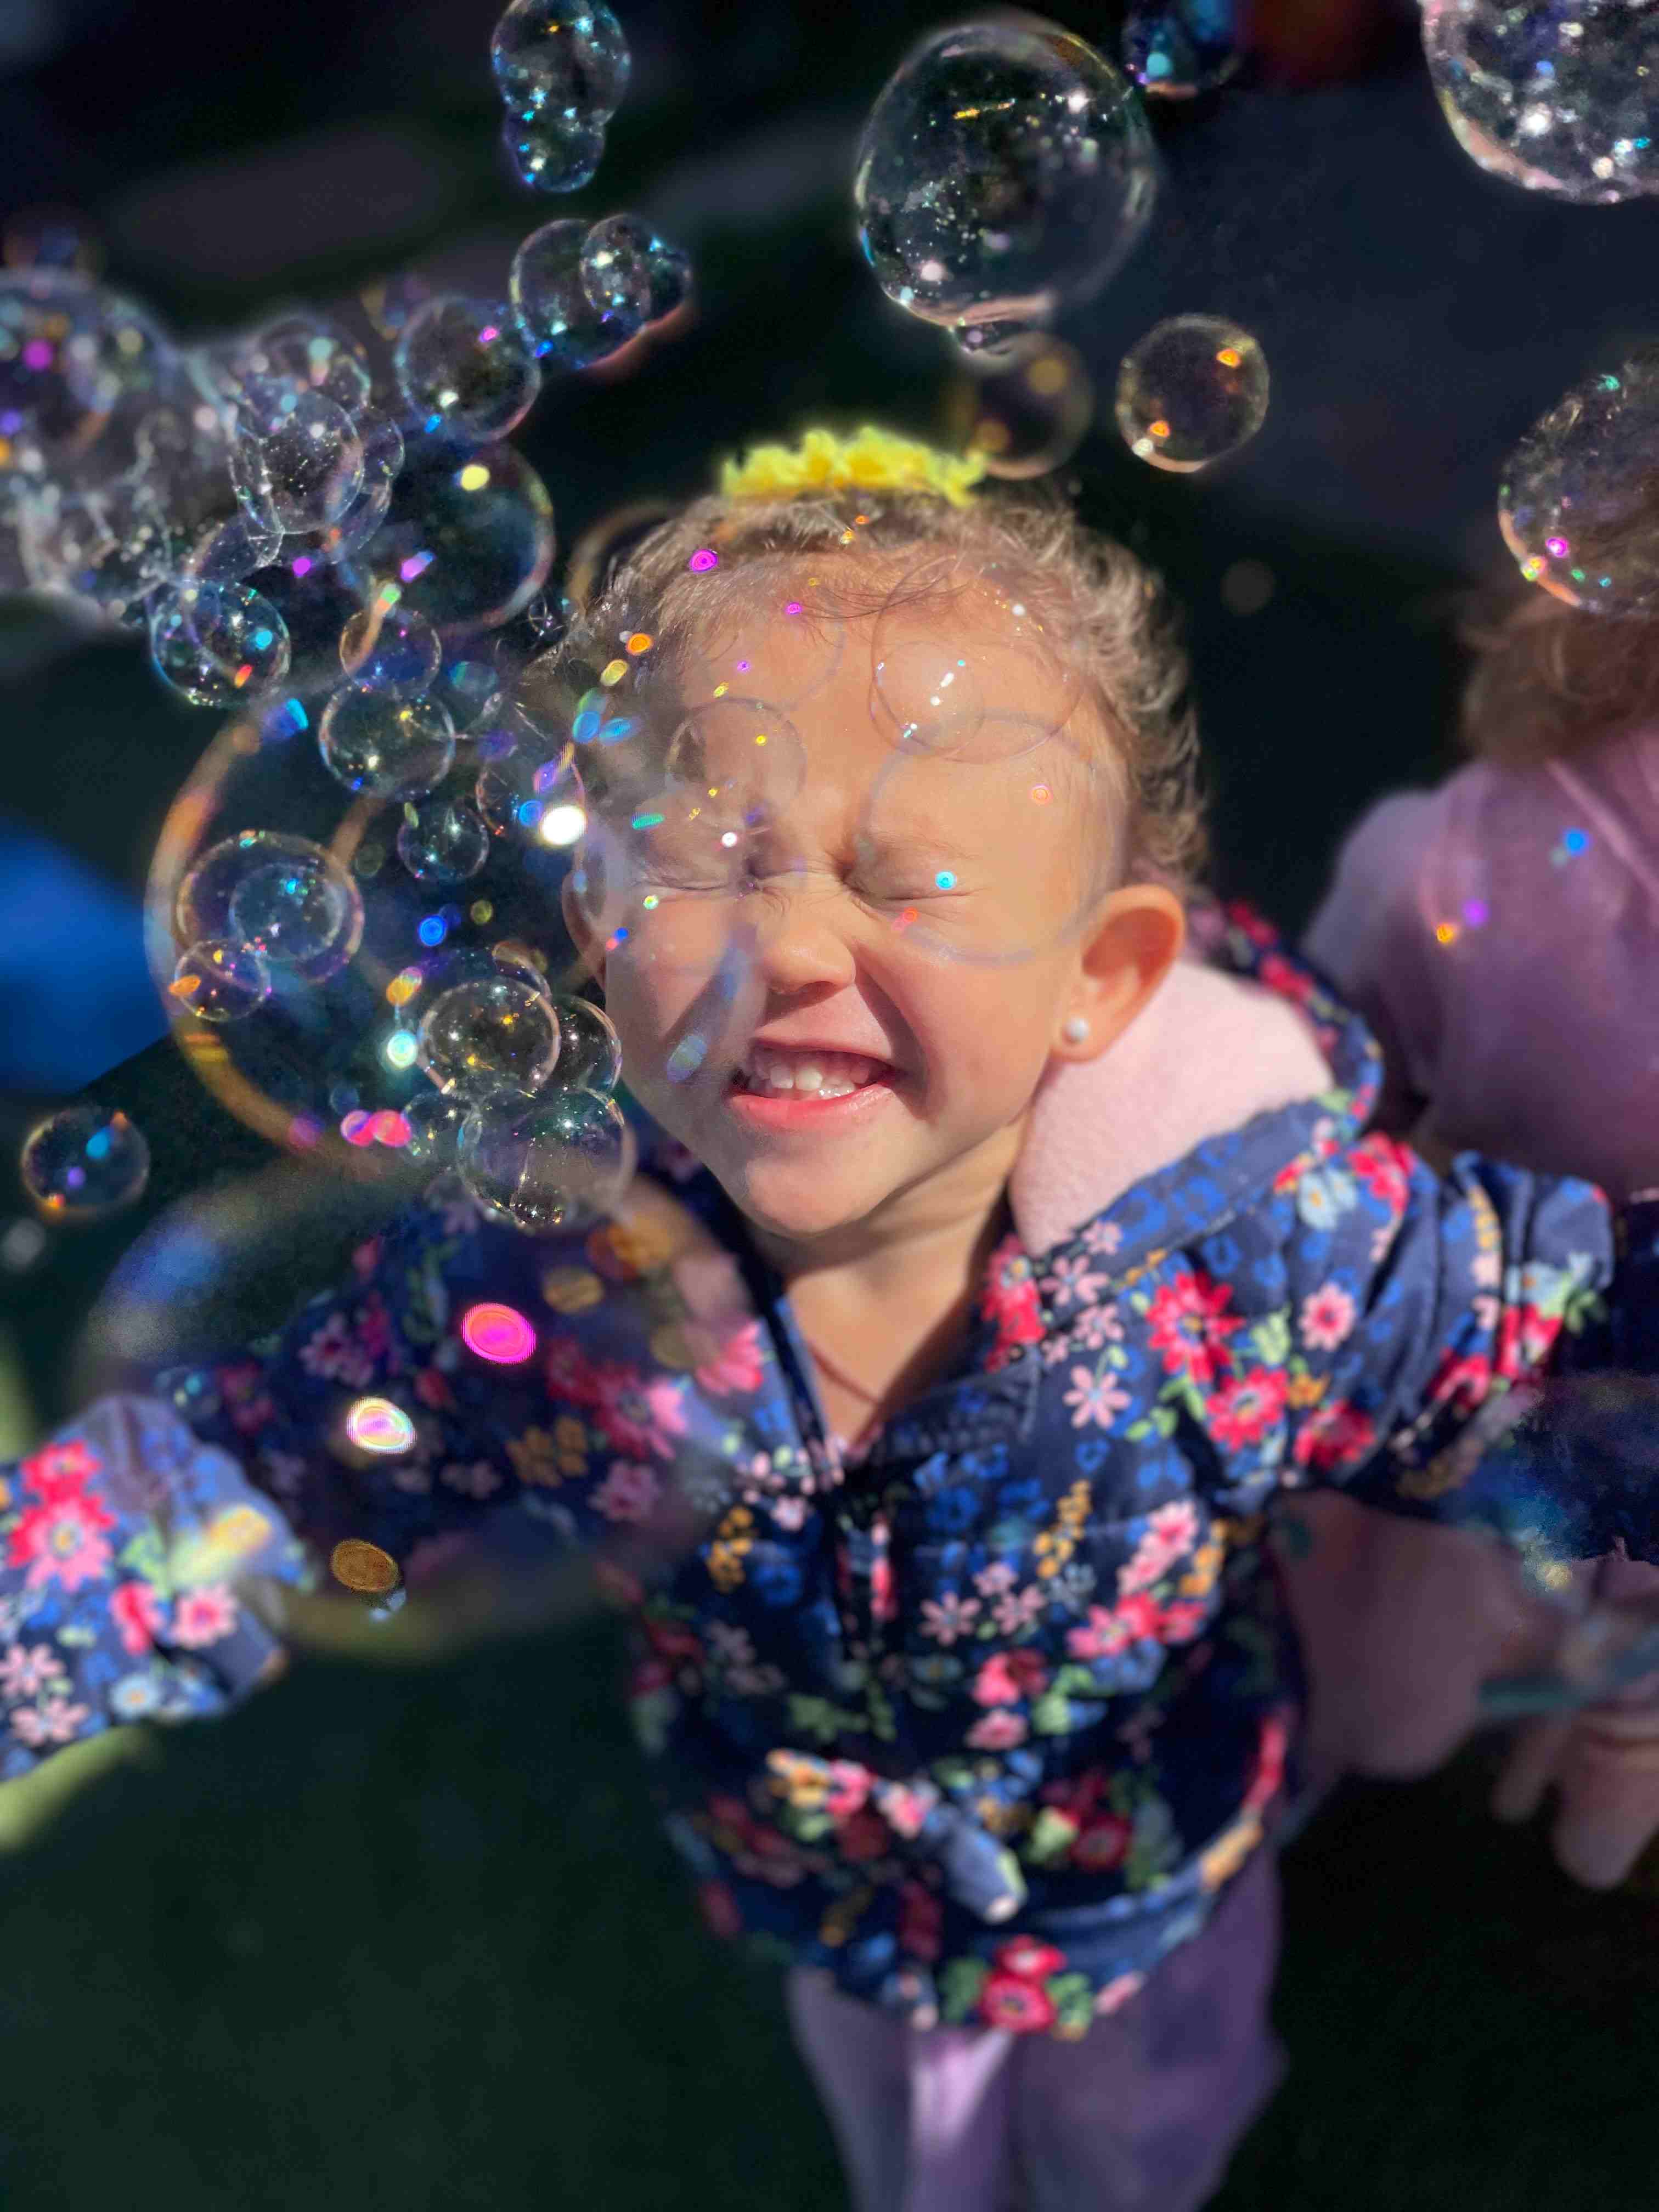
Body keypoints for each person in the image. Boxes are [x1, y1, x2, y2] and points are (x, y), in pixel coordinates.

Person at [3, 427, 1658, 2212]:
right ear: (592, 918)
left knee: (1135, 2136)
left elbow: (1557, 1337)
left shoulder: (1257, 1239)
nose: (787, 944)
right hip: (814, 1872)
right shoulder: (535, 1281)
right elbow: (237, 1470)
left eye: (909, 878)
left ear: (1096, 978)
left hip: (1143, 1868)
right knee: (906, 2146)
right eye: (708, 855)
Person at [1301, 579, 1659, 1891]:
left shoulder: (1456, 856)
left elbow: (1329, 1093)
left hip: (1504, 1414)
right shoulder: (1469, 863)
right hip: (1489, 1397)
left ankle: (1612, 1740)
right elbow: (1325, 1116)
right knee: (1403, 1678)